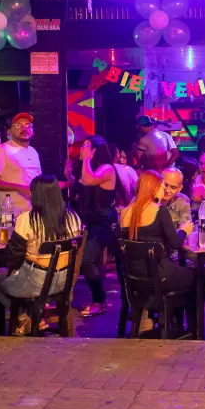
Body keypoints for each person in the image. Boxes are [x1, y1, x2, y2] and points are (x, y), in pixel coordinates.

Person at [0, 175, 81, 335]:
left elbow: (13, 256)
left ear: (36, 194)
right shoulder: (73, 217)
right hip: (64, 281)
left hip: (35, 282)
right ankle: (32, 314)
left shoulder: (27, 219)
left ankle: (25, 315)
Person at [120, 170, 195, 332]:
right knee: (197, 276)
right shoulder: (159, 210)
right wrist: (183, 231)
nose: (165, 190)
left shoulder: (125, 212)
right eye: (162, 186)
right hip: (160, 275)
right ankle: (192, 330)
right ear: (154, 189)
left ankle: (151, 316)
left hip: (134, 276)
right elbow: (175, 243)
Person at [74, 135, 118, 317]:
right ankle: (99, 300)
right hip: (93, 222)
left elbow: (89, 181)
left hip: (104, 222)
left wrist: (85, 160)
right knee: (91, 261)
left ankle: (99, 301)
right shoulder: (88, 169)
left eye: (86, 146)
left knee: (87, 260)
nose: (82, 149)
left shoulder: (107, 169)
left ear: (95, 151)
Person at [0, 113, 42, 214]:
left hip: (34, 212)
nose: (24, 128)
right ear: (10, 132)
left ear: (33, 131)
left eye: (28, 125)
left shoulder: (33, 152)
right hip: (12, 215)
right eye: (18, 125)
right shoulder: (2, 150)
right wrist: (19, 188)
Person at [161, 167, 193, 233]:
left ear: (179, 188)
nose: (167, 190)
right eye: (165, 185)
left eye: (173, 187)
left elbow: (186, 231)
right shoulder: (148, 200)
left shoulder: (182, 201)